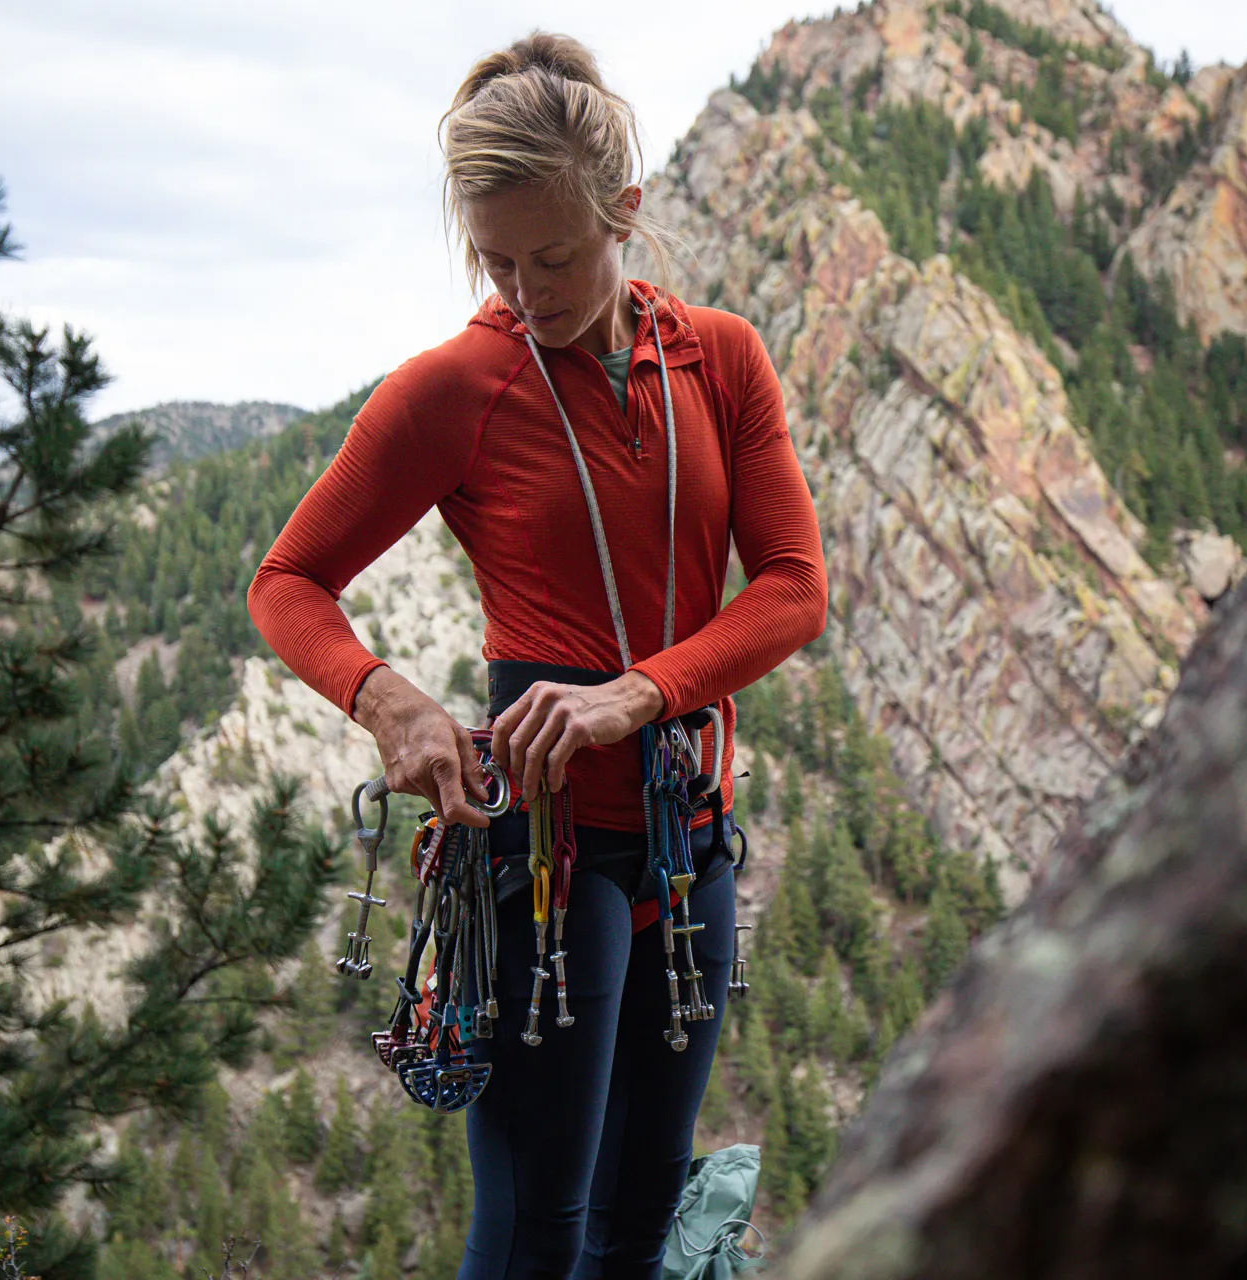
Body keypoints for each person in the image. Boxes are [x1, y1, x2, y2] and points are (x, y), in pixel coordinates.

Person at [246, 30, 827, 1280]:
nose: (525, 288)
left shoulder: (720, 359)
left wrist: (639, 694)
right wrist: (388, 702)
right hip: (540, 847)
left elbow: (794, 588)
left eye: (553, 256)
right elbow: (287, 581)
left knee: (639, 1221)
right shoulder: (458, 387)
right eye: (496, 258)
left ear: (626, 209)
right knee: (533, 1233)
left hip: (687, 833)